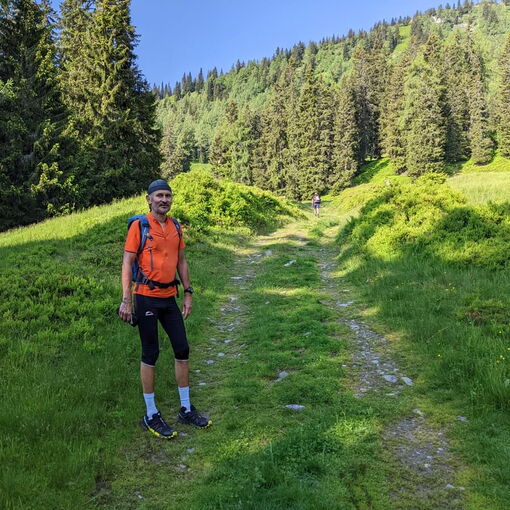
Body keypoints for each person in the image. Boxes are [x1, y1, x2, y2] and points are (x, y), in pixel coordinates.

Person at [119, 179, 211, 439]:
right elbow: (127, 263)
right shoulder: (140, 226)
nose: (164, 200)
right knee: (150, 353)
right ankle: (151, 414)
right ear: (148, 199)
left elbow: (181, 261)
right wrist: (126, 300)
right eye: (159, 195)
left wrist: (188, 293)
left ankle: (185, 408)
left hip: (169, 297)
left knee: (182, 348)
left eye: (168, 196)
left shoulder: (175, 226)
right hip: (145, 296)